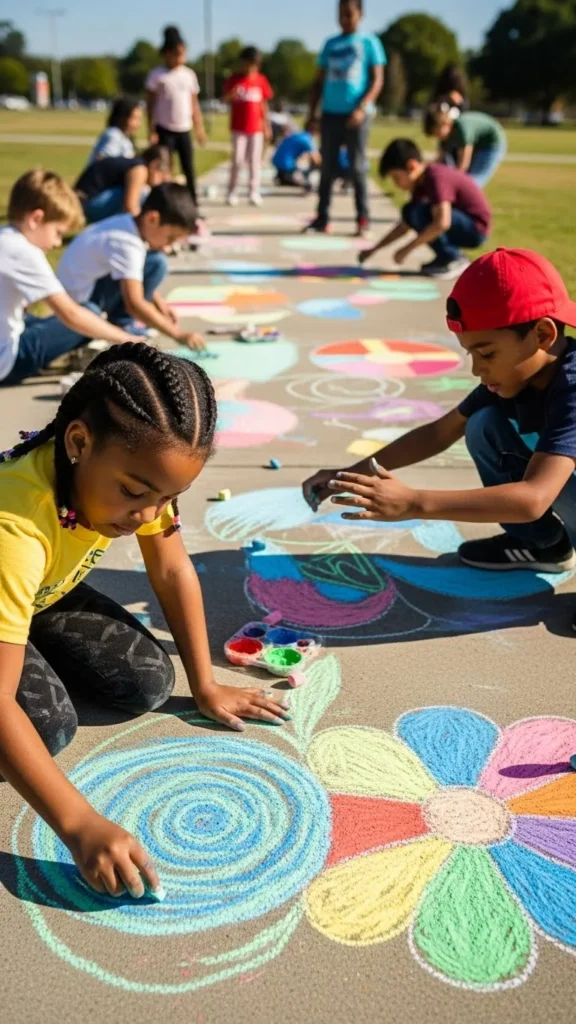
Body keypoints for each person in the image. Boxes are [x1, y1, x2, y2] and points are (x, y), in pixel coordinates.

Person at [0, 342, 291, 898]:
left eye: (169, 496)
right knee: (45, 726)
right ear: (79, 442)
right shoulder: (14, 528)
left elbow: (173, 570)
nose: (150, 515)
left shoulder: (147, 476)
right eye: (135, 493)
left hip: (36, 592)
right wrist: (80, 824)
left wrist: (204, 683)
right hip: (16, 577)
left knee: (150, 681)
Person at [303, 248, 576, 592]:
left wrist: (414, 503)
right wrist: (348, 475)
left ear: (542, 335)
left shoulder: (572, 387)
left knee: (534, 468)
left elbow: (532, 498)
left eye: (487, 353)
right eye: (471, 353)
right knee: (483, 423)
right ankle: (546, 546)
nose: (477, 369)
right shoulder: (516, 377)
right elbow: (438, 433)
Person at [0, 170, 136, 388]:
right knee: (89, 311)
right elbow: (71, 315)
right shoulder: (23, 251)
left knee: (38, 321)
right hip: (8, 362)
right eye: (58, 232)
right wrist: (128, 340)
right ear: (36, 219)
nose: (56, 243)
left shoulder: (4, 236)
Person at [58, 182, 204, 349]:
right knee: (157, 263)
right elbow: (134, 303)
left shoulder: (128, 223)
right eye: (170, 238)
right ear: (152, 219)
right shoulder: (128, 243)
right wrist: (177, 334)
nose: (168, 246)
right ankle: (122, 325)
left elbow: (131, 275)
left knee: (154, 262)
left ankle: (119, 323)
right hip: (80, 305)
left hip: (84, 291)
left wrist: (158, 303)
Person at [305, 0, 386, 237]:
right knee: (327, 167)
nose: (345, 18)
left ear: (360, 14)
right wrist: (312, 114)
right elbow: (318, 82)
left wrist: (362, 107)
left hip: (357, 115)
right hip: (330, 114)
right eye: (341, 13)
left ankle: (363, 218)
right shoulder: (330, 44)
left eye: (349, 13)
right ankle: (322, 218)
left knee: (357, 166)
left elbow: (377, 80)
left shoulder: (369, 42)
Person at [360, 139, 491, 280]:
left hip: (476, 229)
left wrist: (407, 249)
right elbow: (405, 225)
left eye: (397, 178)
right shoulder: (421, 185)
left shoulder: (436, 177)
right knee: (410, 211)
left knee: (419, 212)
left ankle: (454, 258)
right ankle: (444, 257)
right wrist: (375, 249)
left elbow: (442, 222)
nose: (396, 184)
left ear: (411, 166)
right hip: (460, 222)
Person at [146, 25, 206, 208]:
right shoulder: (157, 75)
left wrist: (199, 128)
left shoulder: (188, 75)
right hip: (164, 128)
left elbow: (194, 104)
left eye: (183, 54)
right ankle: (166, 204)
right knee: (165, 168)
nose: (181, 58)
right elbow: (151, 104)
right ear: (167, 54)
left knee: (188, 167)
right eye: (177, 54)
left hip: (184, 128)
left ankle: (193, 203)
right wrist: (151, 129)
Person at [223, 46, 274, 207]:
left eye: (253, 64)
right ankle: (232, 191)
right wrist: (231, 95)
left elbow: (264, 105)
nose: (250, 67)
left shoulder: (261, 80)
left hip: (256, 128)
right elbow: (224, 100)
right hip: (239, 128)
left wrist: (267, 125)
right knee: (237, 160)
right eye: (247, 63)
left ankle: (253, 191)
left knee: (254, 161)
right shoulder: (234, 79)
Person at [75, 145, 171, 224]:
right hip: (87, 206)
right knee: (143, 193)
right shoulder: (139, 169)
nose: (161, 182)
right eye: (162, 176)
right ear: (154, 165)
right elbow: (130, 207)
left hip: (83, 203)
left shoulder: (132, 163)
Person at [424, 103, 507, 188]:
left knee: (473, 182)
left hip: (491, 144)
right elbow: (439, 160)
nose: (437, 137)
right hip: (477, 143)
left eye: (437, 133)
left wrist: (453, 185)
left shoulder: (462, 129)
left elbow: (463, 165)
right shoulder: (444, 137)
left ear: (445, 124)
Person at [88, 97, 142, 164]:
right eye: (135, 118)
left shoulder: (123, 138)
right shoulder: (114, 135)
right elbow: (102, 162)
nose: (138, 124)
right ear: (122, 117)